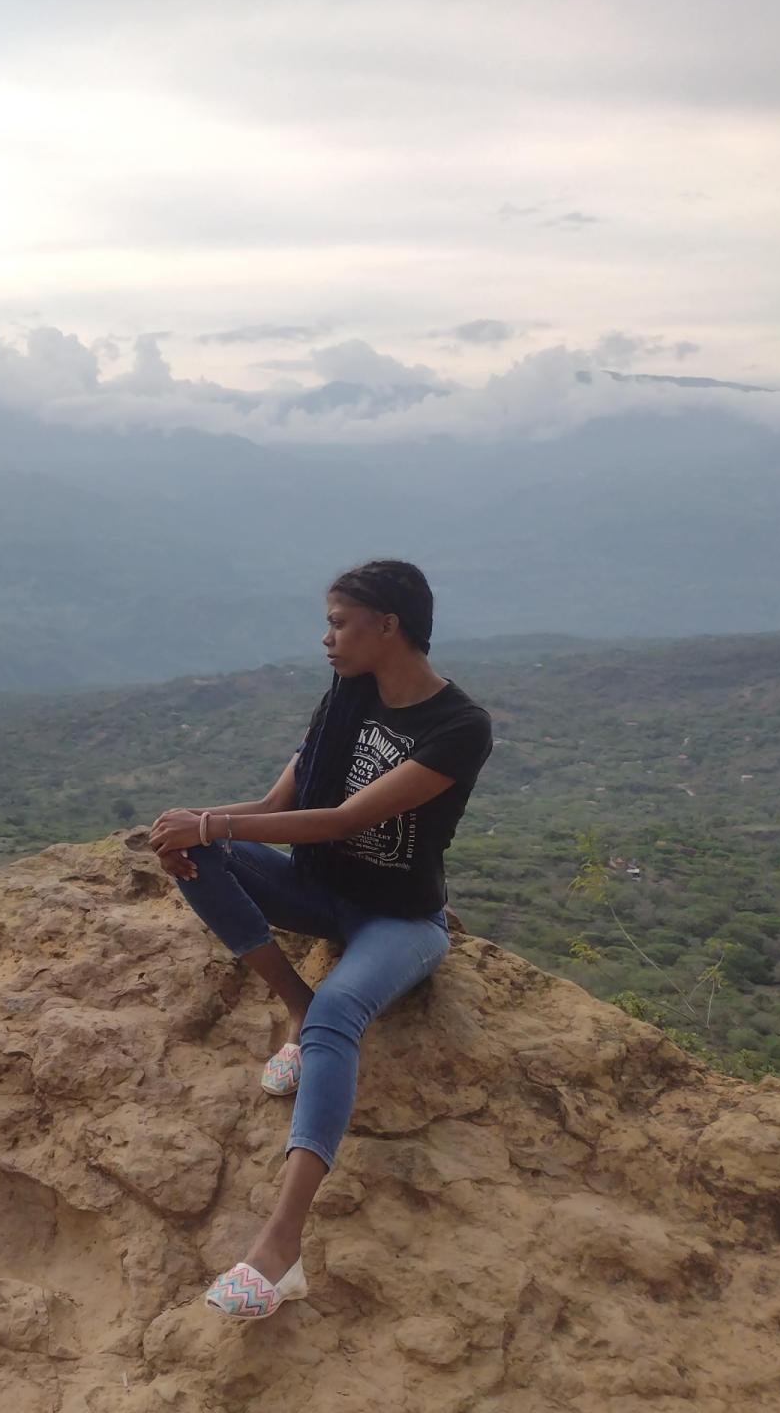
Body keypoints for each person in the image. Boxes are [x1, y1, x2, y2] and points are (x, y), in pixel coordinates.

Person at [146, 558, 494, 1319]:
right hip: (318, 891)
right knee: (198, 856)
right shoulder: (347, 696)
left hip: (398, 920)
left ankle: (281, 1250)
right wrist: (191, 827)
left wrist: (210, 823)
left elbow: (343, 821)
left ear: (388, 626)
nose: (327, 639)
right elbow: (277, 806)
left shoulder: (458, 727)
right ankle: (296, 1005)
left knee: (343, 1013)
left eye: (339, 623)